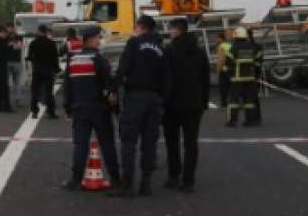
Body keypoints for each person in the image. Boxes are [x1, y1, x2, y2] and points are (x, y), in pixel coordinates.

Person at [110, 15, 170, 197]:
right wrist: (162, 101)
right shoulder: (161, 48)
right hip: (154, 99)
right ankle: (146, 184)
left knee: (128, 141)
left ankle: (127, 184)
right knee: (149, 143)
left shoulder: (134, 43)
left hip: (135, 97)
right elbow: (167, 78)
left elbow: (123, 69)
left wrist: (112, 89)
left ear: (141, 27)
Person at [62, 26, 120, 189]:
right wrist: (114, 106)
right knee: (107, 144)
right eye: (98, 38)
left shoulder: (72, 60)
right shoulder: (99, 59)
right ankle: (116, 179)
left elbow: (68, 86)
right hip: (99, 108)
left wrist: (68, 107)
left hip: (79, 108)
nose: (99, 41)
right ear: (91, 39)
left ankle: (75, 180)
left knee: (80, 145)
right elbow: (108, 84)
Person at [162, 18, 209, 192]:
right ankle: (188, 181)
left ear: (177, 30)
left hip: (172, 105)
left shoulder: (169, 51)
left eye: (171, 29)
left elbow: (164, 79)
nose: (169, 32)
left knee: (172, 142)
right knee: (191, 144)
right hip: (194, 105)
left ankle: (174, 176)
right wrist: (203, 102)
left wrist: (163, 101)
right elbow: (205, 80)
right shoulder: (199, 52)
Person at [227, 27, 262, 126]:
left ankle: (232, 121)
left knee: (234, 101)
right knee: (249, 101)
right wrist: (256, 74)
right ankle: (250, 121)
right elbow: (258, 61)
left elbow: (228, 62)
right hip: (250, 78)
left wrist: (230, 72)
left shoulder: (234, 48)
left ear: (236, 37)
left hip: (237, 78)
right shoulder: (252, 47)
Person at [26, 24, 60, 118]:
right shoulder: (51, 43)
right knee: (49, 92)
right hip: (48, 70)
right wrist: (57, 69)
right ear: (46, 32)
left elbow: (29, 57)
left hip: (37, 70)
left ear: (38, 31)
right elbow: (55, 57)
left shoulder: (33, 43)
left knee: (35, 92)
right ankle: (51, 112)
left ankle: (34, 111)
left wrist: (34, 61)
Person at [7, 28, 24, 104]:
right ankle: (17, 99)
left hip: (13, 62)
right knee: (16, 82)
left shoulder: (17, 37)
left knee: (15, 82)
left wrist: (11, 45)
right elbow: (18, 46)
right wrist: (14, 44)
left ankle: (16, 99)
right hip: (13, 62)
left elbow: (18, 47)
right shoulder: (18, 37)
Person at [215, 33, 232, 108]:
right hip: (231, 68)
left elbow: (221, 59)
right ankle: (234, 102)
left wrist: (218, 70)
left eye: (217, 38)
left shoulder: (221, 46)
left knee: (223, 87)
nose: (216, 40)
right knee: (231, 86)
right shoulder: (230, 45)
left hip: (224, 69)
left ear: (220, 38)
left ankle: (224, 103)